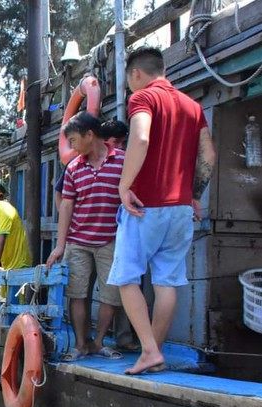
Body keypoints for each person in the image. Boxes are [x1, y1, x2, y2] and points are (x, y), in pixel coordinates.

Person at [107, 46, 216, 375]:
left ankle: (149, 350)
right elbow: (208, 156)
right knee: (167, 280)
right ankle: (153, 353)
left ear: (136, 74)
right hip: (181, 208)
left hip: (145, 206)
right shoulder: (193, 106)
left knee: (127, 278)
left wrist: (124, 187)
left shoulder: (143, 98)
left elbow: (139, 138)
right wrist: (194, 194)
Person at [46, 112, 125, 361]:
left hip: (111, 240)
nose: (72, 146)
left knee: (110, 295)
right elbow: (67, 206)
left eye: (73, 140)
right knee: (76, 293)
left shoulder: (123, 161)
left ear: (89, 135)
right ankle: (81, 344)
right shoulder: (73, 168)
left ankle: (99, 342)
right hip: (78, 242)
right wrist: (60, 246)